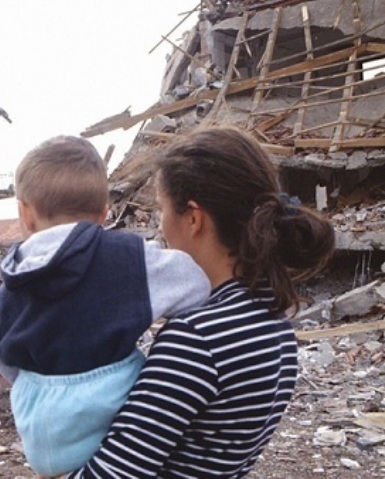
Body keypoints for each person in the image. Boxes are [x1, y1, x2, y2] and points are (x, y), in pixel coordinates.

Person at [63, 126, 335, 478]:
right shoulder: (274, 323)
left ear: (193, 218)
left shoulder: (197, 336)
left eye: (161, 209)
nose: (160, 228)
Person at [0, 135, 211, 477]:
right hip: (110, 415)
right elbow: (193, 282)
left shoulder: (14, 281)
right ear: (104, 213)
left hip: (40, 434)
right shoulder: (127, 260)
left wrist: (32, 382)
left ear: (25, 214)